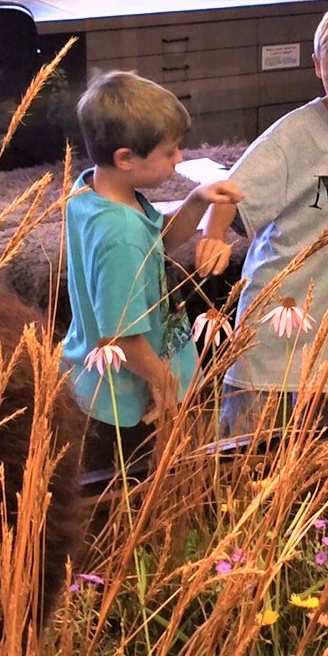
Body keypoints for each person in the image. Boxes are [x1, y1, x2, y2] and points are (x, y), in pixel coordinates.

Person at [201, 3, 328, 433]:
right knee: (246, 450)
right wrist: (215, 236)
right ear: (316, 66)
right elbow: (227, 195)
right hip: (277, 320)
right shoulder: (293, 135)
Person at [60, 71, 243, 463]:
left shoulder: (93, 192)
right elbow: (120, 336)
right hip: (127, 403)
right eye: (170, 151)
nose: (179, 160)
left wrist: (196, 201)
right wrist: (164, 381)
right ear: (125, 158)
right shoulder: (119, 233)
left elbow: (155, 243)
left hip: (99, 385)